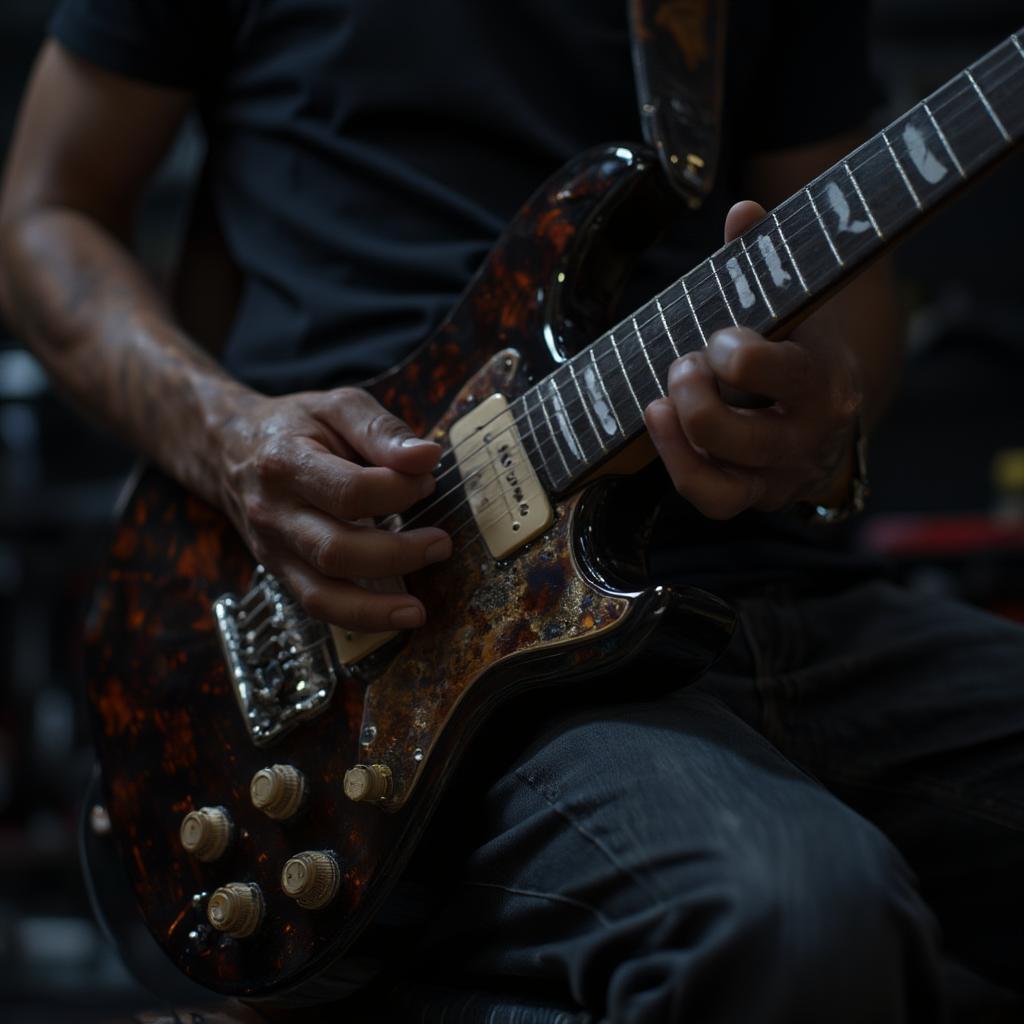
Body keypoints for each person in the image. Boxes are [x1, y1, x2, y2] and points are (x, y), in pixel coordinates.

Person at [1, 2, 1022, 1021]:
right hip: (390, 633)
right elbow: (45, 216)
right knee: (798, 917)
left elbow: (851, 281)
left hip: (778, 585)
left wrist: (824, 409)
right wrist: (227, 439)